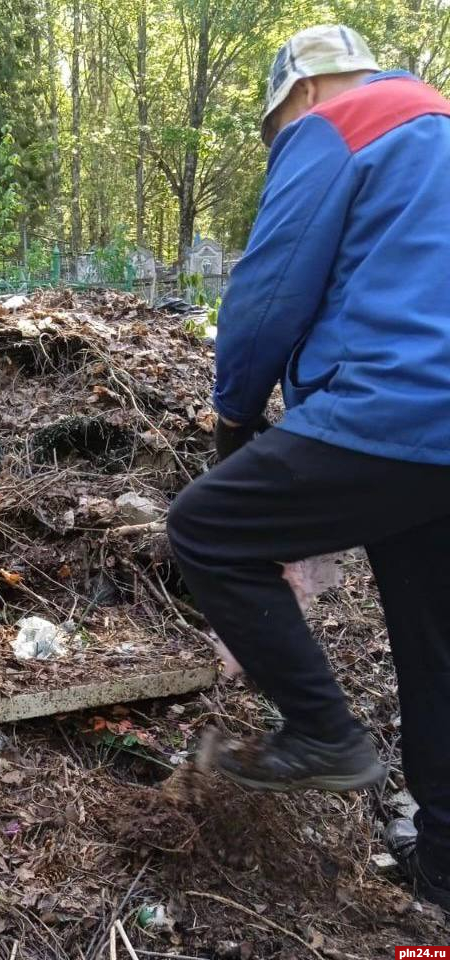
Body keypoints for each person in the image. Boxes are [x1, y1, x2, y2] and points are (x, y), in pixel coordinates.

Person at [166, 25, 450, 910]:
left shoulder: (341, 124)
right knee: (436, 647)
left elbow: (270, 290)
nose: (281, 143)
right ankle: (441, 865)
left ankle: (324, 733)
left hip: (392, 405)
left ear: (300, 94)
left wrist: (234, 420)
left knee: (207, 529)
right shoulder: (437, 129)